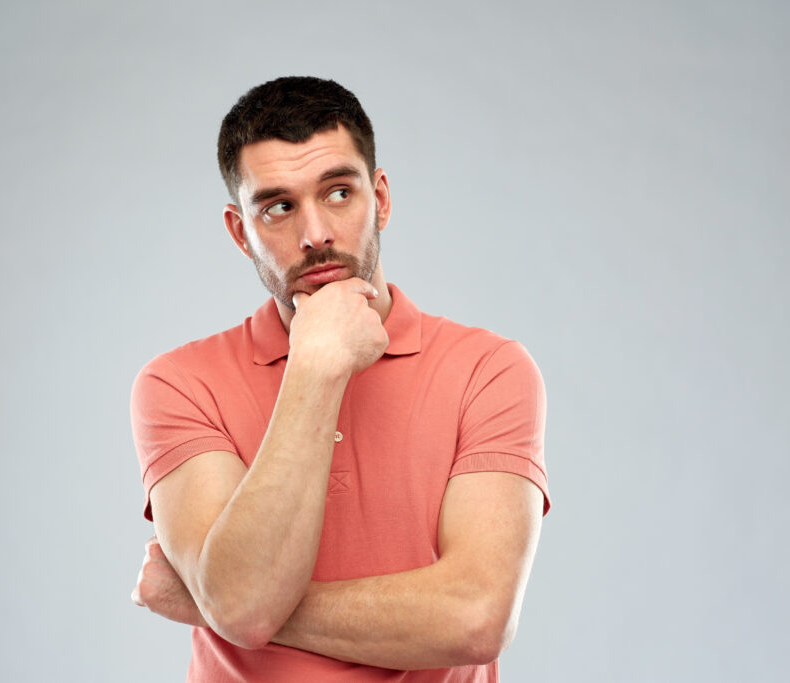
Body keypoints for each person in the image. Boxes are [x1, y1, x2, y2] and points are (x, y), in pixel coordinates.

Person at [129, 76, 550, 682]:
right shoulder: (178, 384)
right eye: (278, 207)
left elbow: (475, 619)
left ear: (379, 199)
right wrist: (316, 367)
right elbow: (243, 605)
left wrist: (208, 601)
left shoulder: (490, 370)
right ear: (238, 232)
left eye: (338, 193)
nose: (315, 234)